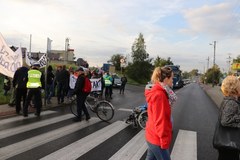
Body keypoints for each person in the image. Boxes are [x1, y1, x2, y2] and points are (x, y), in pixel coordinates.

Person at [145, 66, 174, 160]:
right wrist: (164, 141)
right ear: (166, 79)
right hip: (157, 139)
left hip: (152, 135)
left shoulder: (160, 92)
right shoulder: (160, 95)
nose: (173, 80)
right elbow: (160, 120)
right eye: (172, 78)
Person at [215, 75, 240, 160]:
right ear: (235, 87)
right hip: (230, 143)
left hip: (226, 143)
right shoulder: (231, 103)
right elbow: (225, 121)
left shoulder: (227, 100)